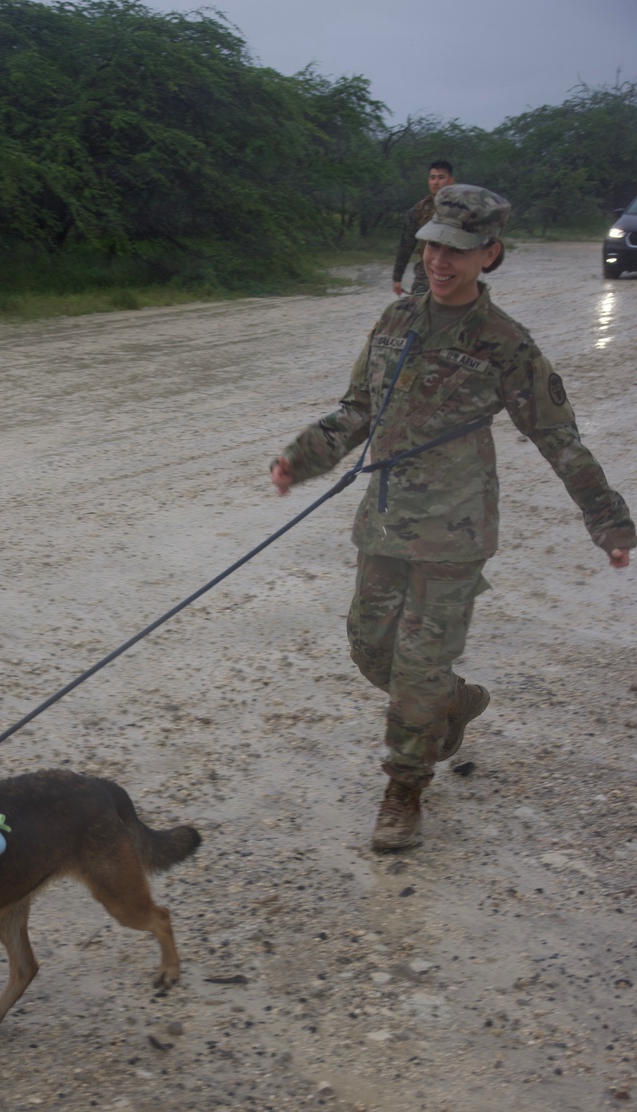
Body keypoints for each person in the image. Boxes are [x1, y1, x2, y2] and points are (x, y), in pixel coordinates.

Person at [270, 184, 634, 852]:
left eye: (459, 251)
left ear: (489, 254)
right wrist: (303, 456)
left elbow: (559, 438)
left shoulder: (505, 345)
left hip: (455, 533)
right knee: (369, 647)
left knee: (415, 671)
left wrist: (608, 520)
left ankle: (403, 792)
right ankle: (456, 701)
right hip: (384, 522)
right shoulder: (396, 321)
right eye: (433, 245)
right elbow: (357, 408)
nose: (440, 261)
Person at [392, 159, 454, 297]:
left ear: (450, 181)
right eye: (432, 178)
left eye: (441, 177)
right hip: (426, 274)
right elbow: (406, 245)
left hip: (455, 270)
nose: (436, 182)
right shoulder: (418, 211)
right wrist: (397, 278)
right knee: (418, 311)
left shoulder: (462, 208)